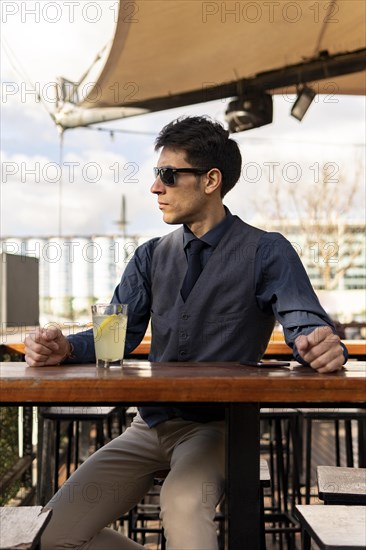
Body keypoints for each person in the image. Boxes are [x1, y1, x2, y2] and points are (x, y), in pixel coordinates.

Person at [25, 116, 347, 550]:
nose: (156, 187)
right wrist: (63, 347)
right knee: (47, 535)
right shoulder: (150, 256)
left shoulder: (266, 250)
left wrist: (318, 343)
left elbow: (304, 321)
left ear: (211, 180)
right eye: (157, 175)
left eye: (168, 175)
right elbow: (113, 338)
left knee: (180, 505)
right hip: (148, 424)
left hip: (216, 428)